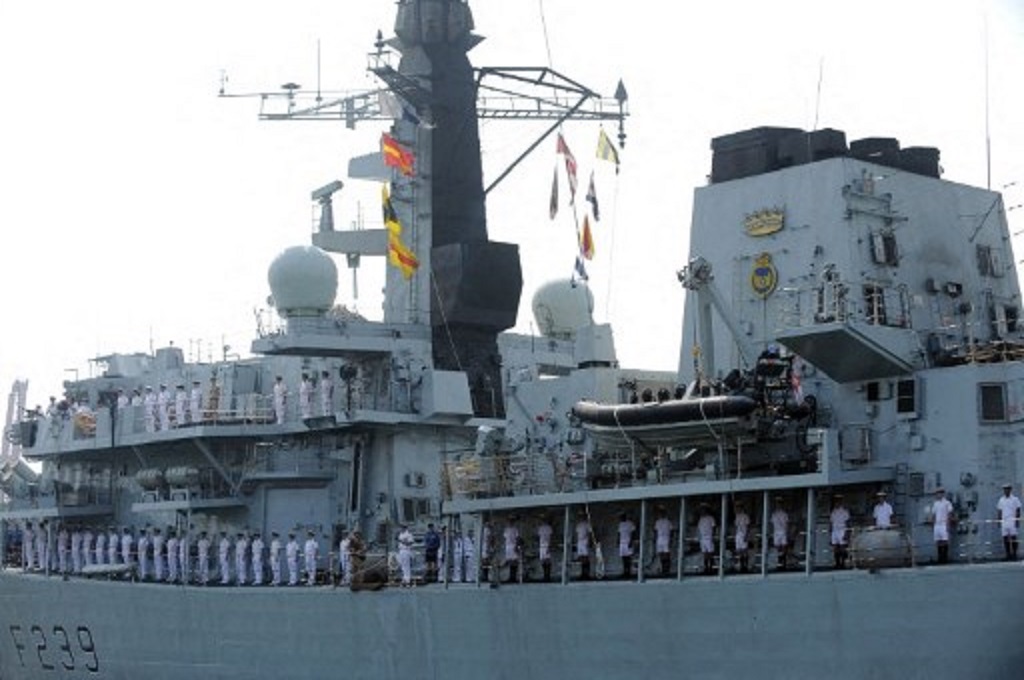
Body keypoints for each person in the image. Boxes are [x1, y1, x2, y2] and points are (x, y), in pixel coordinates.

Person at [996, 483, 1022, 561]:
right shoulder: (1001, 500)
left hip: (1012, 520)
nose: (1006, 491)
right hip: (1004, 520)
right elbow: (999, 510)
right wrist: (999, 520)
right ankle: (1008, 555)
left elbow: (1018, 509)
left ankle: (1014, 554)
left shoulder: (1015, 499)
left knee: (1013, 537)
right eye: (1005, 489)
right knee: (1005, 538)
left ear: (1010, 490)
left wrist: (1017, 520)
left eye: (1007, 489)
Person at [930, 487, 955, 564]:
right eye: (937, 493)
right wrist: (933, 524)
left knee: (945, 541)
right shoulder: (935, 504)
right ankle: (940, 558)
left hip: (944, 523)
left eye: (939, 493)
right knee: (938, 541)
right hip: (937, 524)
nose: (938, 495)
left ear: (942, 494)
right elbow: (934, 515)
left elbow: (949, 514)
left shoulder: (947, 503)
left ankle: (945, 558)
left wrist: (948, 524)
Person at [829, 494, 851, 569]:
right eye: (836, 501)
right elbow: (831, 523)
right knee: (835, 548)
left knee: (842, 548)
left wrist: (847, 533)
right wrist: (830, 534)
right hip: (835, 531)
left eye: (838, 501)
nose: (837, 503)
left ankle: (843, 563)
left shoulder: (845, 511)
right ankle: (837, 563)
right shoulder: (833, 511)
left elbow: (847, 523)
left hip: (842, 530)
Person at [770, 498, 790, 569]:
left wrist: (787, 533)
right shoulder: (774, 514)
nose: (778, 505)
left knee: (784, 546)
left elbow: (787, 524)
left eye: (779, 503)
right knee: (778, 547)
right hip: (776, 532)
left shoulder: (784, 514)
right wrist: (772, 533)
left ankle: (783, 562)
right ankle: (779, 562)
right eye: (777, 504)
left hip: (783, 531)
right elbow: (772, 524)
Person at [654, 507, 673, 577]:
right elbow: (656, 531)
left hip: (666, 538)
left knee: (667, 555)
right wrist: (655, 539)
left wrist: (671, 539)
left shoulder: (668, 521)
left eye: (662, 513)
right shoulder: (657, 522)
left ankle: (667, 570)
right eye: (660, 513)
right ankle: (663, 569)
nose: (661, 514)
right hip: (659, 539)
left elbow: (671, 531)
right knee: (661, 555)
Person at [697, 503, 716, 575]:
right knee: (705, 554)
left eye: (703, 509)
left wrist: (713, 536)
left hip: (709, 537)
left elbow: (714, 527)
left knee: (710, 553)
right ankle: (706, 568)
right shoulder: (701, 519)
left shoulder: (710, 518)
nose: (702, 511)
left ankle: (711, 568)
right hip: (703, 538)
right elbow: (699, 528)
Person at [617, 512, 636, 580]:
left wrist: (631, 541)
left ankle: (629, 572)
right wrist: (617, 541)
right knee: (623, 558)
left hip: (628, 542)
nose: (621, 518)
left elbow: (633, 533)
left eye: (622, 516)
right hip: (622, 542)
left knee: (628, 558)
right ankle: (625, 571)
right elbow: (619, 533)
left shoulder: (630, 523)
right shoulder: (620, 524)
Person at [502, 518, 522, 583]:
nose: (510, 523)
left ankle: (514, 577)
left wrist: (516, 546)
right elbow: (505, 538)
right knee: (509, 561)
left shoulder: (515, 529)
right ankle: (510, 576)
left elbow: (518, 538)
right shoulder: (506, 529)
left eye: (511, 521)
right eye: (509, 521)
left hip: (513, 545)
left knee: (514, 561)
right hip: (508, 546)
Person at [733, 502, 751, 573]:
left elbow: (748, 526)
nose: (737, 509)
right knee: (739, 551)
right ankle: (741, 566)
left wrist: (746, 535)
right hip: (738, 535)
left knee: (744, 551)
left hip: (743, 534)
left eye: (738, 507)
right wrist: (735, 535)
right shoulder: (737, 516)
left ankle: (745, 566)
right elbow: (736, 526)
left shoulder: (745, 516)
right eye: (737, 507)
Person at [575, 512, 593, 580]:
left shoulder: (587, 524)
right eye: (580, 516)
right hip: (580, 542)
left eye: (582, 516)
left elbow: (590, 533)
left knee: (586, 558)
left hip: (585, 542)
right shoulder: (578, 525)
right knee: (581, 558)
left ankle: (587, 574)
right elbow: (577, 534)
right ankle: (583, 573)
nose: (581, 517)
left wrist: (590, 542)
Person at [537, 515, 554, 582]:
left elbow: (551, 537)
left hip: (547, 545)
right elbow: (539, 537)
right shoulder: (540, 528)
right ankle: (544, 576)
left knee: (547, 561)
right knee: (543, 561)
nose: (543, 520)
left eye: (544, 519)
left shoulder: (549, 528)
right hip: (541, 545)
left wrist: (549, 546)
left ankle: (548, 576)